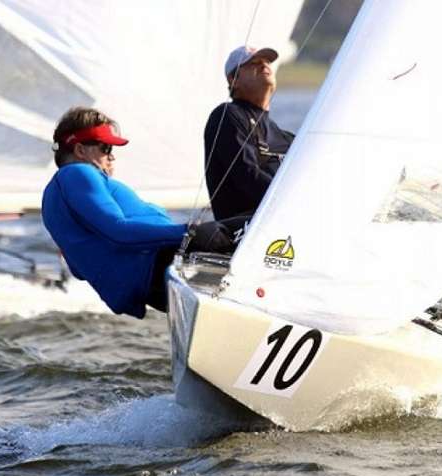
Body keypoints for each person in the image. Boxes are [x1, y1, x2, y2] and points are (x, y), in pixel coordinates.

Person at [42, 107, 232, 318]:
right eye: (105, 148)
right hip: (162, 264)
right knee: (254, 225)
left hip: (152, 284)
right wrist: (188, 233)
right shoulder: (78, 173)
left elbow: (78, 269)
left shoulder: (54, 198)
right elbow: (119, 231)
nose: (111, 157)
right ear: (79, 150)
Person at [204, 45, 295, 221]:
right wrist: (294, 204)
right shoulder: (227, 116)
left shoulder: (286, 137)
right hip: (248, 231)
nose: (264, 66)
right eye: (254, 63)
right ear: (234, 79)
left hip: (286, 223)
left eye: (267, 62)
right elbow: (247, 176)